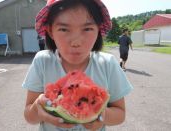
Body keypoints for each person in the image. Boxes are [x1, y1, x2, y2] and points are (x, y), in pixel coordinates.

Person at [22, 0, 133, 131]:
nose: (76, 42)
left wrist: (101, 115)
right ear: (51, 31)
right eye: (63, 29)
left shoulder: (108, 64)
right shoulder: (42, 61)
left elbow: (120, 113)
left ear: (98, 29)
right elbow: (29, 116)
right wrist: (37, 109)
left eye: (87, 29)